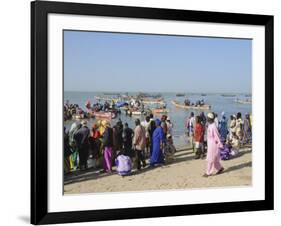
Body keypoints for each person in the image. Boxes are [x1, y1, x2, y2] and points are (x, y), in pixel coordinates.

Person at [203, 112, 224, 177]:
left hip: (213, 145)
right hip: (210, 145)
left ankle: (208, 172)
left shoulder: (213, 126)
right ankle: (220, 168)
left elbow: (217, 137)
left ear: (210, 119)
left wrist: (220, 145)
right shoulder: (210, 125)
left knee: (210, 159)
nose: (206, 119)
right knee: (214, 159)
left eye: (207, 118)